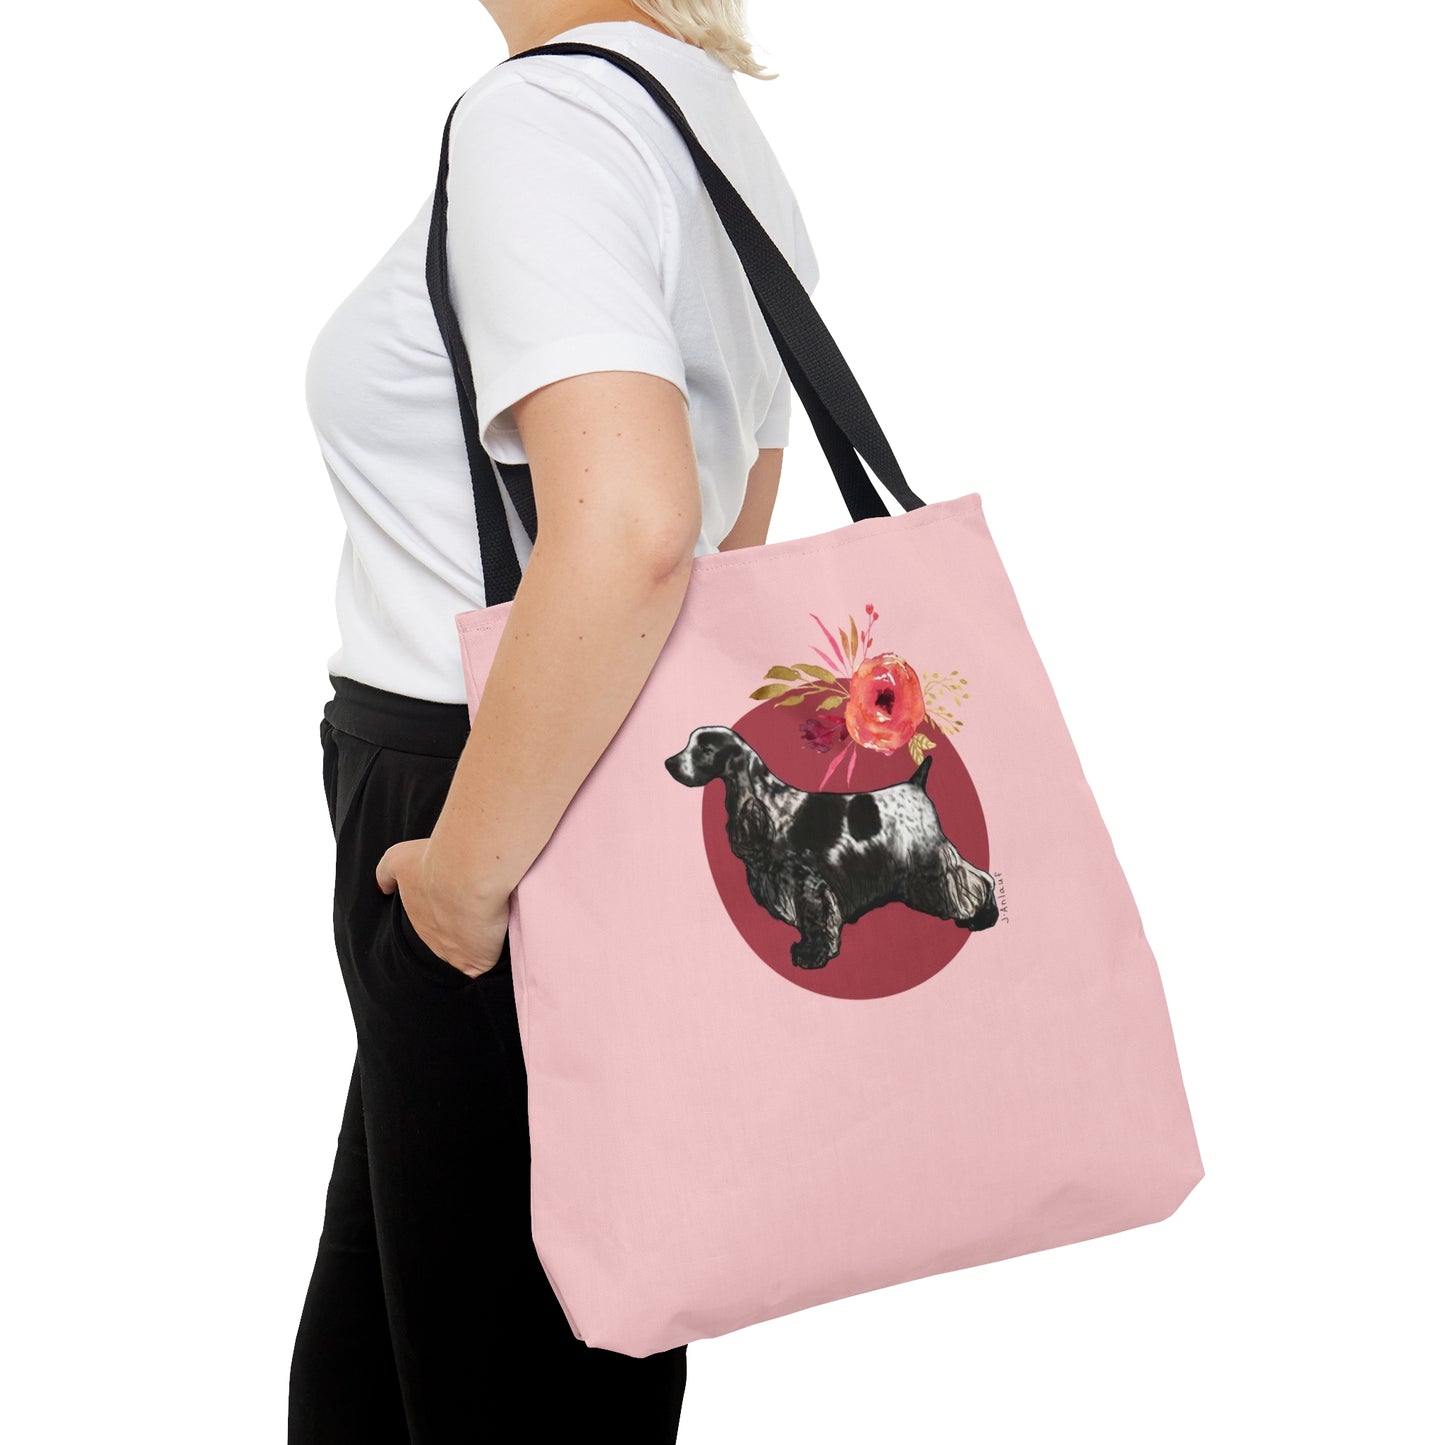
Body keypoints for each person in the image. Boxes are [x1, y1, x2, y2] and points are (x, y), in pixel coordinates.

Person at [287, 2, 820, 1439]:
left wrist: (464, 884)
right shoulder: (698, 112)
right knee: (416, 1370)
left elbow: (641, 528)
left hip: (486, 805)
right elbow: (734, 533)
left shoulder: (547, 119)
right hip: (583, 782)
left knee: (496, 1386)